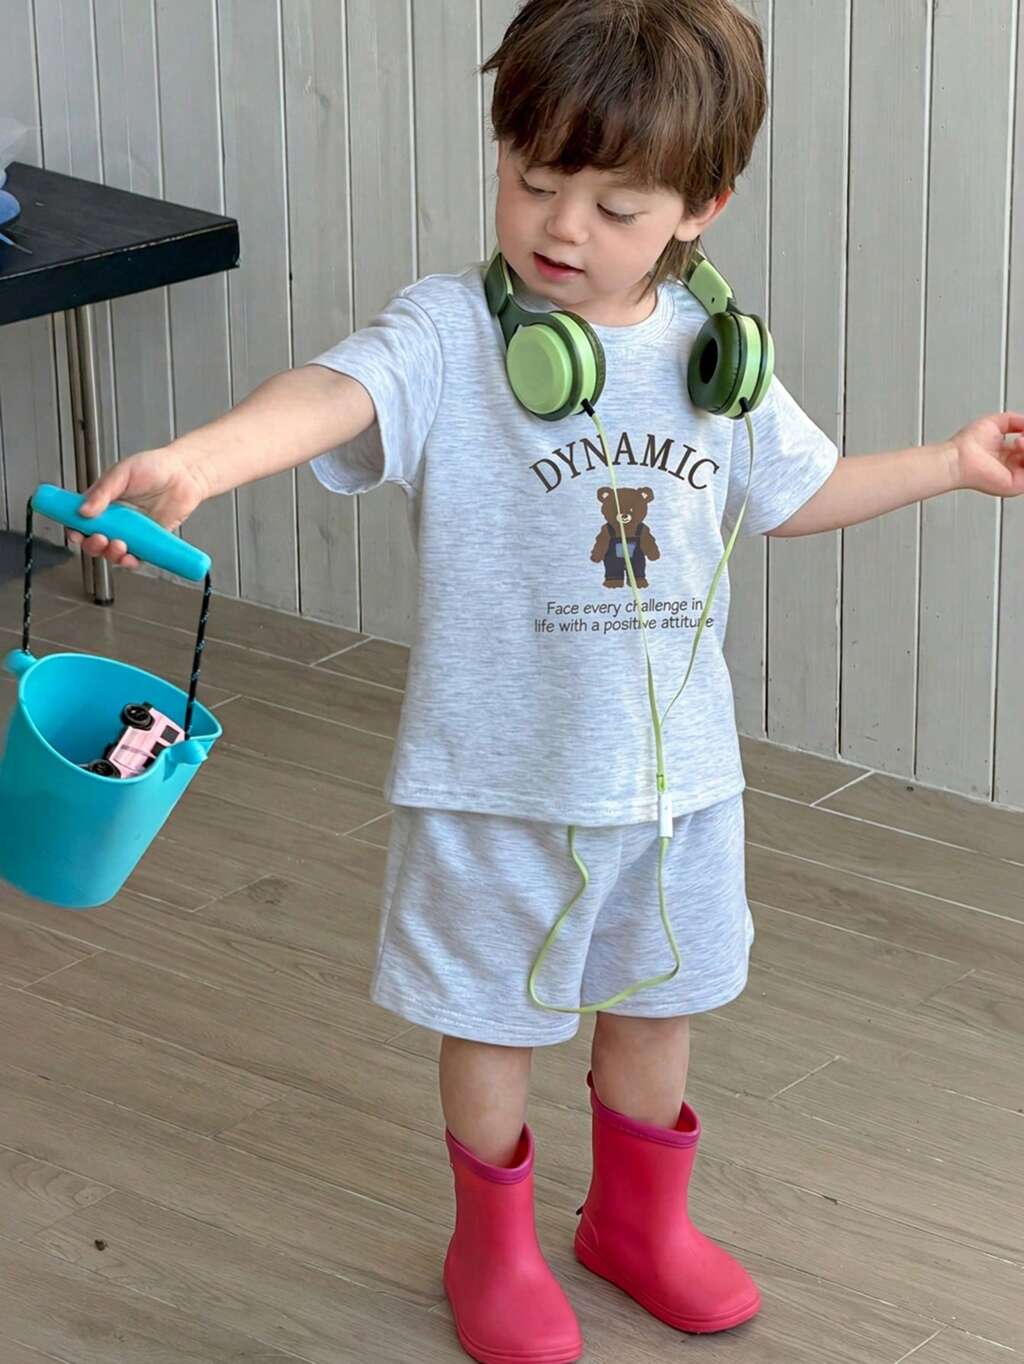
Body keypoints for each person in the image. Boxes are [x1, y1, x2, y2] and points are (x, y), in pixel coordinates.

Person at [71, 2, 1024, 1360]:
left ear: (701, 208)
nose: (561, 228)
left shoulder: (718, 364)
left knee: (660, 1007)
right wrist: (199, 463)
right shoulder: (451, 335)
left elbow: (796, 494)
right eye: (532, 180)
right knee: (491, 1021)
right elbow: (332, 395)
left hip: (678, 789)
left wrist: (949, 464)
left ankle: (637, 1222)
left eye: (616, 206)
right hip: (495, 785)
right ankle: (495, 1245)